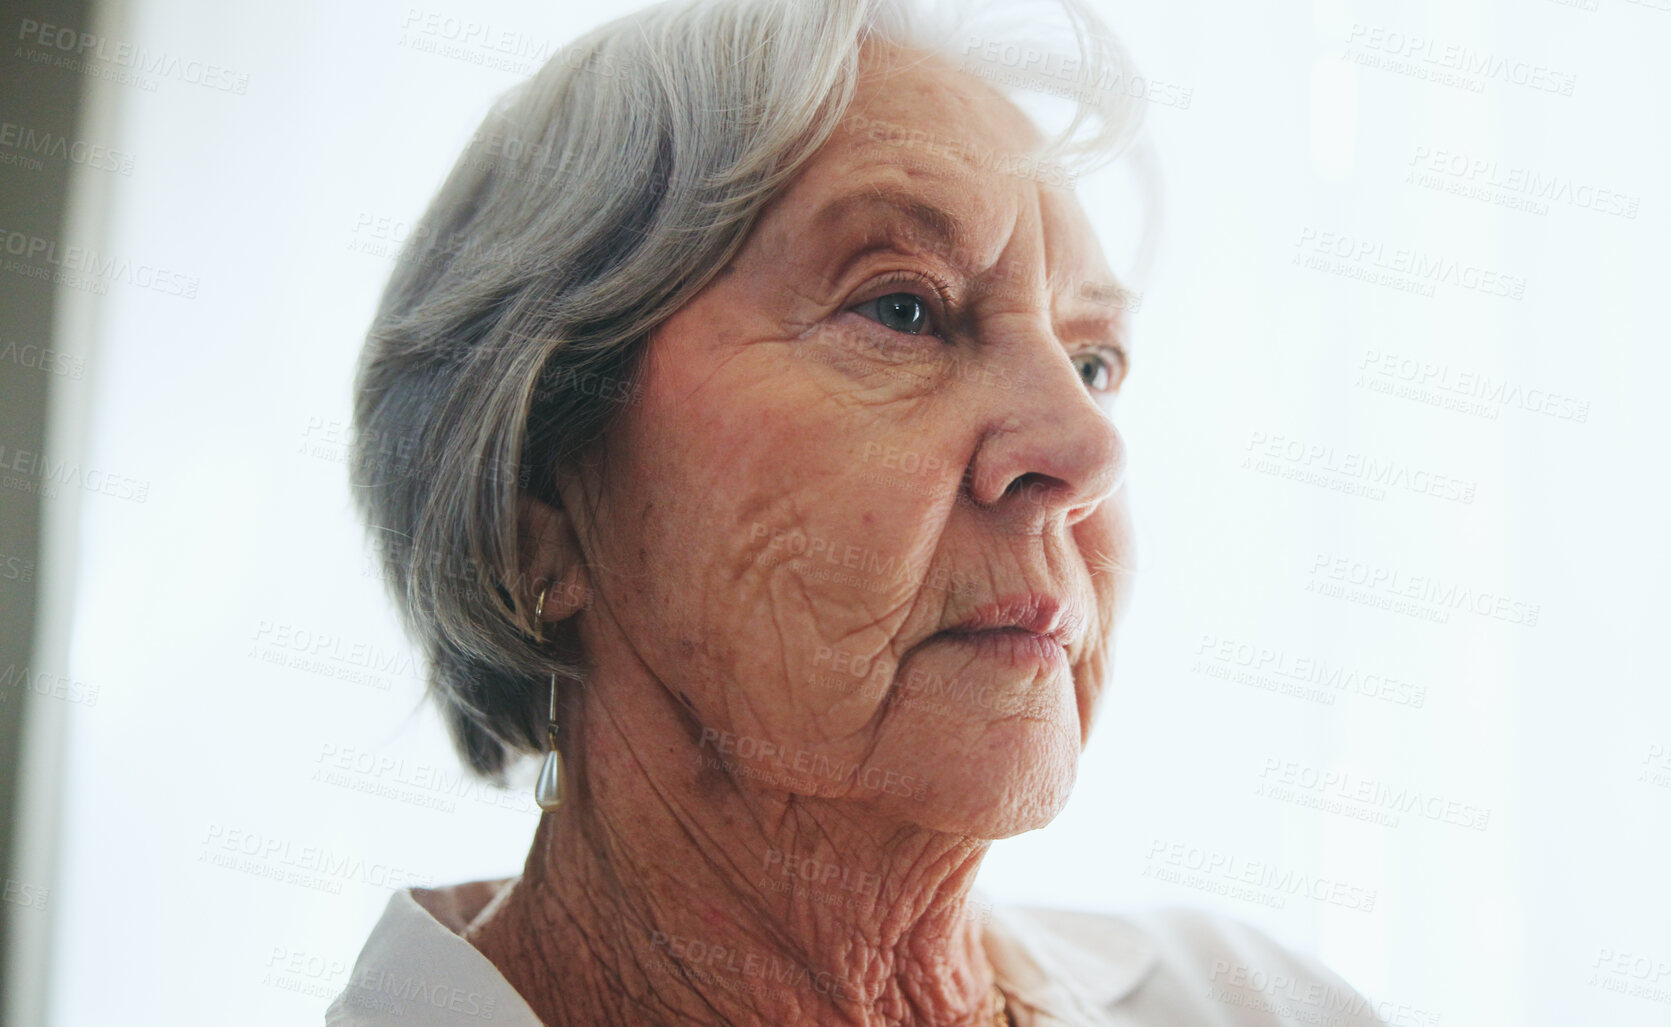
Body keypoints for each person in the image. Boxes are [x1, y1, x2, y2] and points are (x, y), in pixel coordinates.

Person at [328, 0, 1380, 1022]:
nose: (1090, 449)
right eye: (903, 308)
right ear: (538, 511)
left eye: (1092, 359)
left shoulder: (1257, 1002)